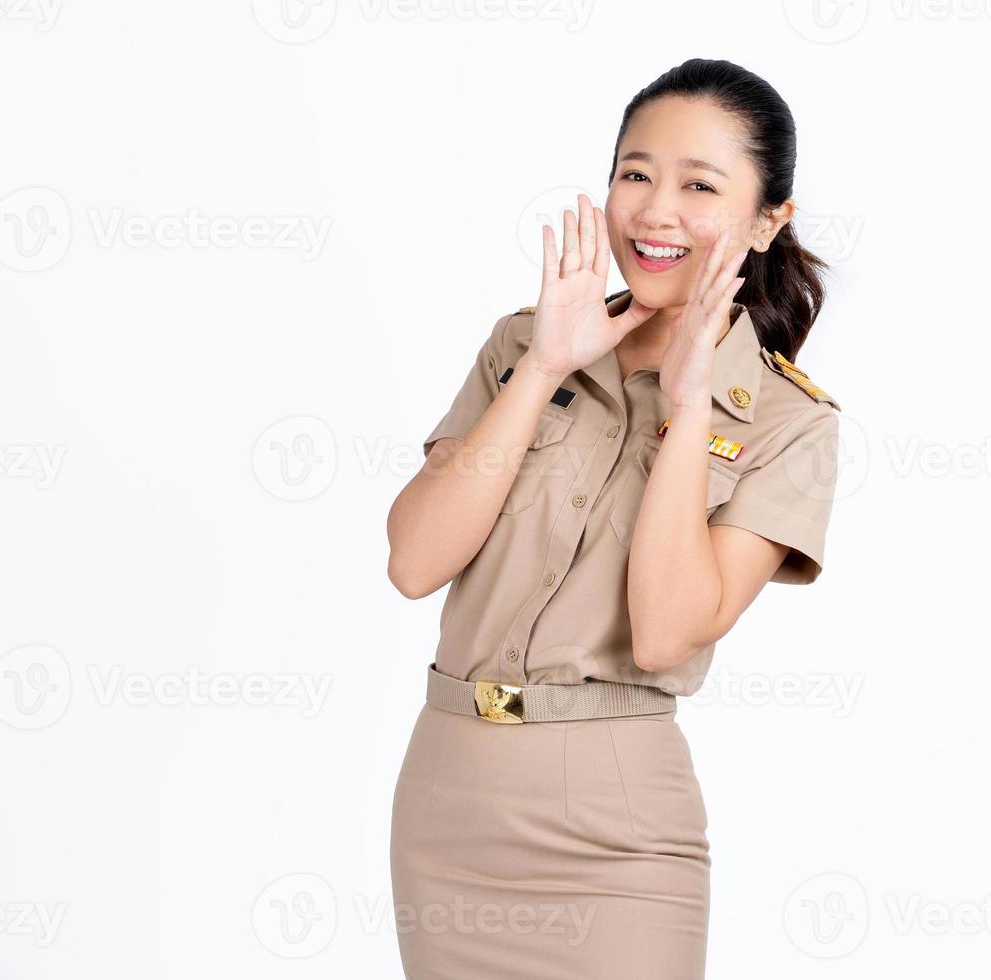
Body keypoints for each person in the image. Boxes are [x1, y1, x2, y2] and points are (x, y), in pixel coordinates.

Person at [385, 57, 841, 980]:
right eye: (634, 174)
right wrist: (548, 368)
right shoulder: (524, 343)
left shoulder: (793, 423)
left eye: (699, 185)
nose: (655, 211)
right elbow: (413, 560)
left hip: (617, 821)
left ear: (766, 222)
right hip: (448, 795)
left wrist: (690, 408)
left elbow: (669, 631)